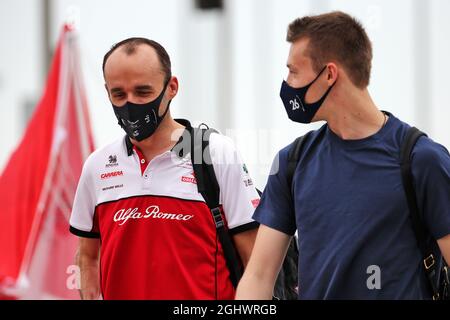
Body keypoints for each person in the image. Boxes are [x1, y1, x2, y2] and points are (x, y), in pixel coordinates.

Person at [235, 11, 450, 299]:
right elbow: (259, 277)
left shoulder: (421, 159)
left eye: (294, 71)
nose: (287, 84)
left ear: (329, 75)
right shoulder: (292, 161)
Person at [69, 38, 260, 300]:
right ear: (107, 92)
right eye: (119, 94)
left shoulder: (215, 152)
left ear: (171, 87)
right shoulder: (98, 164)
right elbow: (87, 257)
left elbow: (256, 263)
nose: (131, 104)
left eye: (143, 92)